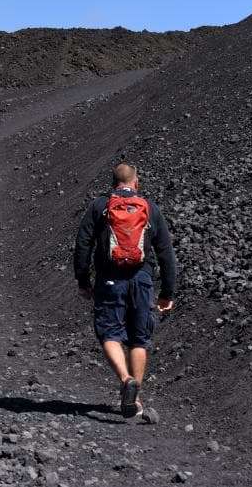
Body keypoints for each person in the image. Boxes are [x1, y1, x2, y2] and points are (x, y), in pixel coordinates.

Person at [73, 163, 177, 419]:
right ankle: (136, 399)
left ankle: (125, 379)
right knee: (139, 339)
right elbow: (166, 253)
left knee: (109, 333)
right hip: (142, 279)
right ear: (136, 182)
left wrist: (83, 280)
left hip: (109, 279)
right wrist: (167, 292)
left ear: (113, 183)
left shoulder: (100, 206)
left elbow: (83, 243)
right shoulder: (150, 208)